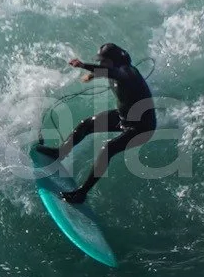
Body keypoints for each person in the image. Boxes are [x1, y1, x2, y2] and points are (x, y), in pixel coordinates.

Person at [37, 44, 156, 206]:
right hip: (124, 118)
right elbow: (109, 72)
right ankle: (60, 153)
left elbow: (114, 73)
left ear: (113, 60)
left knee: (107, 149)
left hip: (141, 127)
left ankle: (81, 194)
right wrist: (93, 75)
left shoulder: (128, 72)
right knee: (86, 124)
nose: (101, 65)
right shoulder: (115, 70)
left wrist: (83, 65)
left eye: (103, 61)